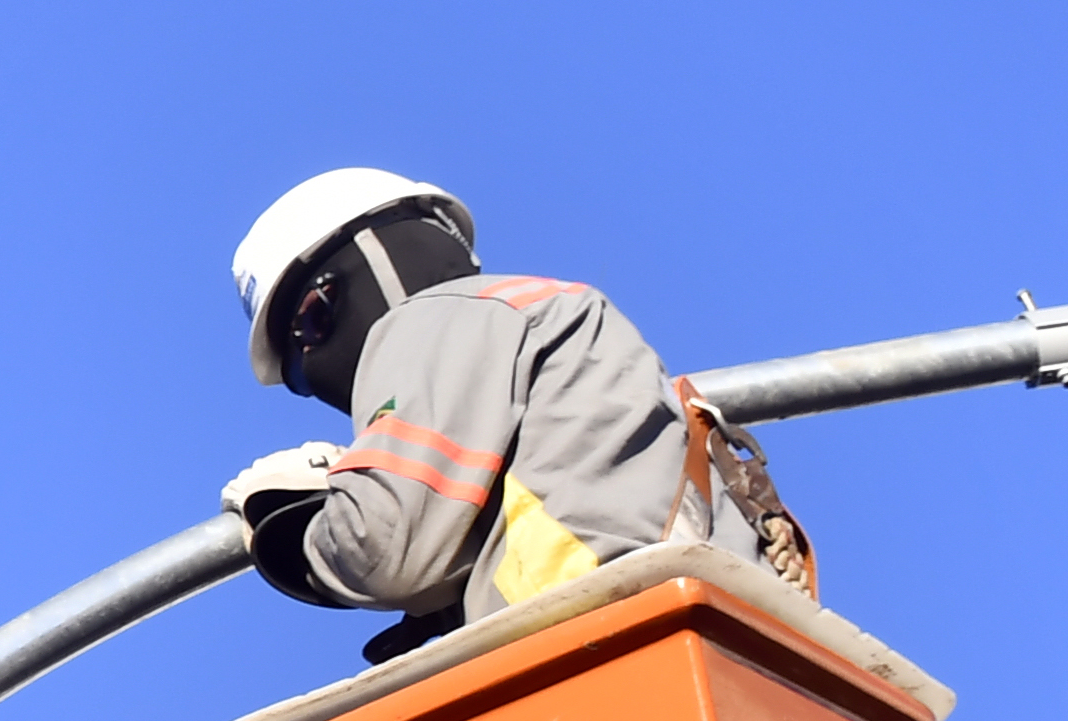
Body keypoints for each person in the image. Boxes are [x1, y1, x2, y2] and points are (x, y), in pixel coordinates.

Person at [213, 168, 807, 659]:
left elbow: (382, 550)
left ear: (359, 271)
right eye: (296, 376)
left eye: (309, 325)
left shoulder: (428, 320)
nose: (314, 374)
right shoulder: (553, 337)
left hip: (611, 645)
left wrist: (288, 519)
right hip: (712, 643)